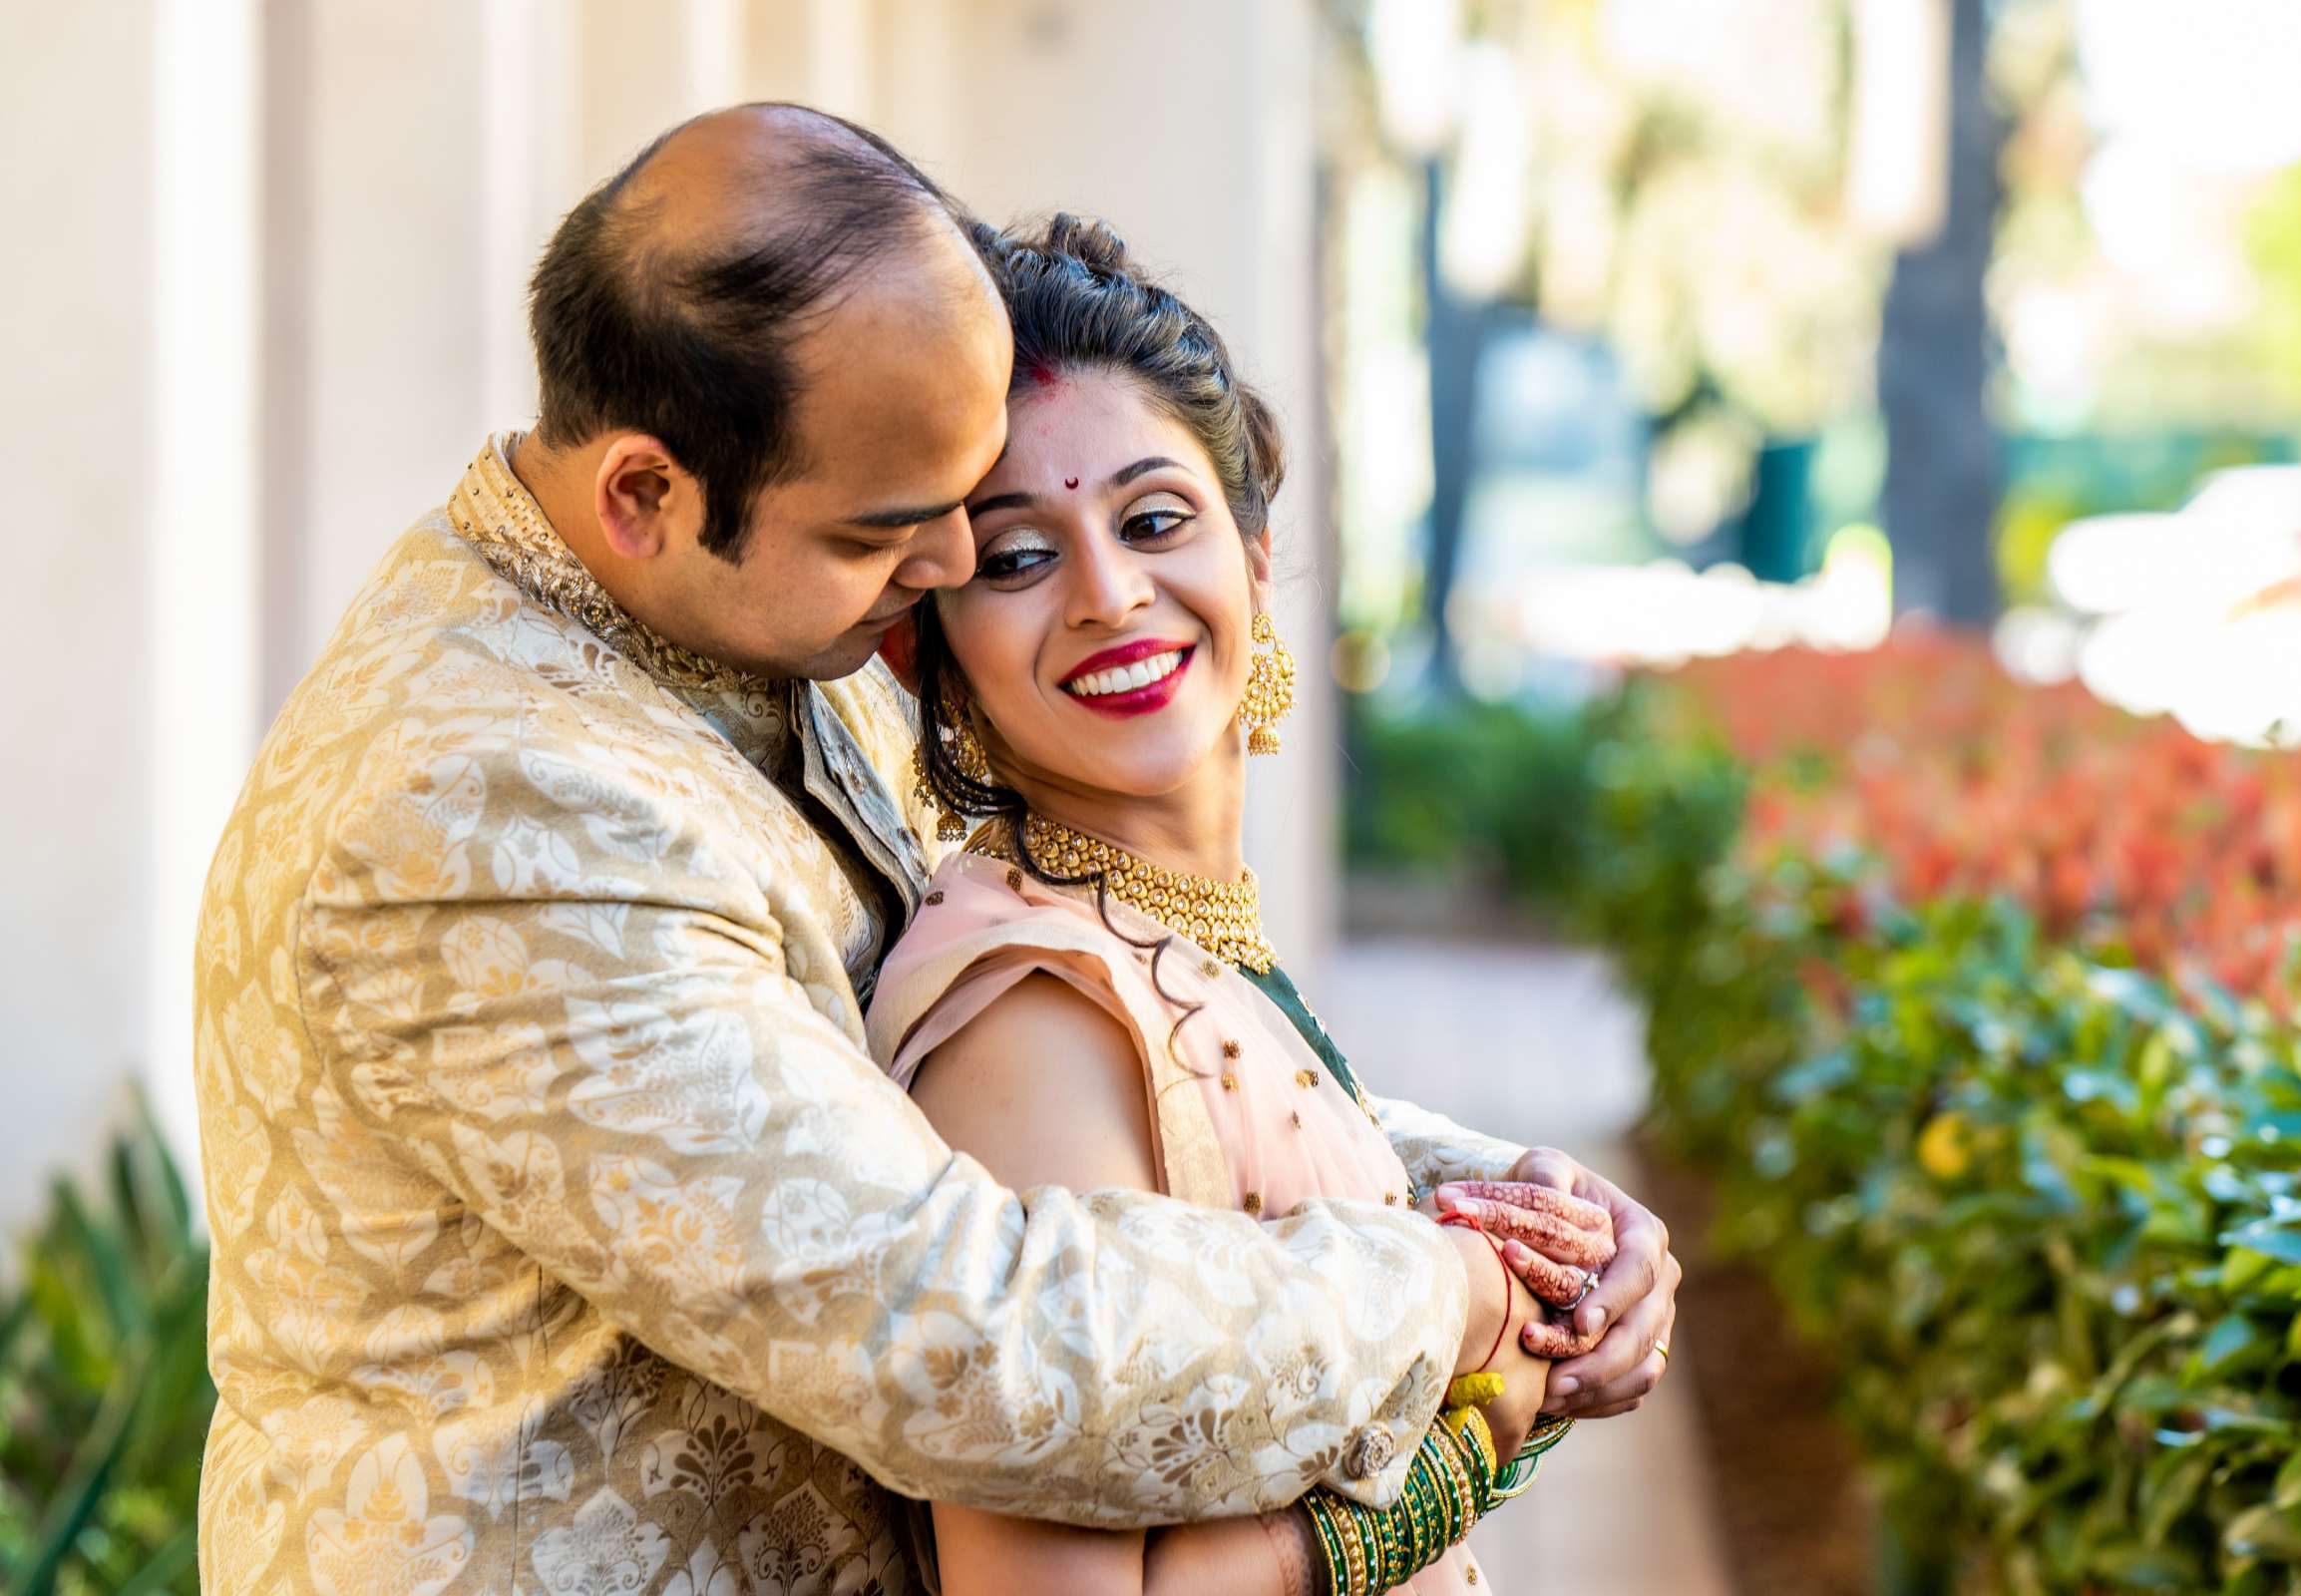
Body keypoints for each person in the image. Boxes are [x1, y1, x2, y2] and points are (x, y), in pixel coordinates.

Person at [192, 104, 1676, 1596]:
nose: (954, 574)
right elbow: (963, 1338)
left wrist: (1511, 1205)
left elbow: (1141, 1078)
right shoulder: (485, 809)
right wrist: (1454, 1301)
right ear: (645, 494)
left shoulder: (747, 625)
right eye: (899, 529)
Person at [866, 212, 1643, 1595]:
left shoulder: (1166, 938)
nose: (1110, 596)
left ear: (1257, 551)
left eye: (1155, 519)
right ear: (928, 653)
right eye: (1017, 559)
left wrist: (1568, 1261)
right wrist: (1491, 1426)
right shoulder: (1038, 1013)